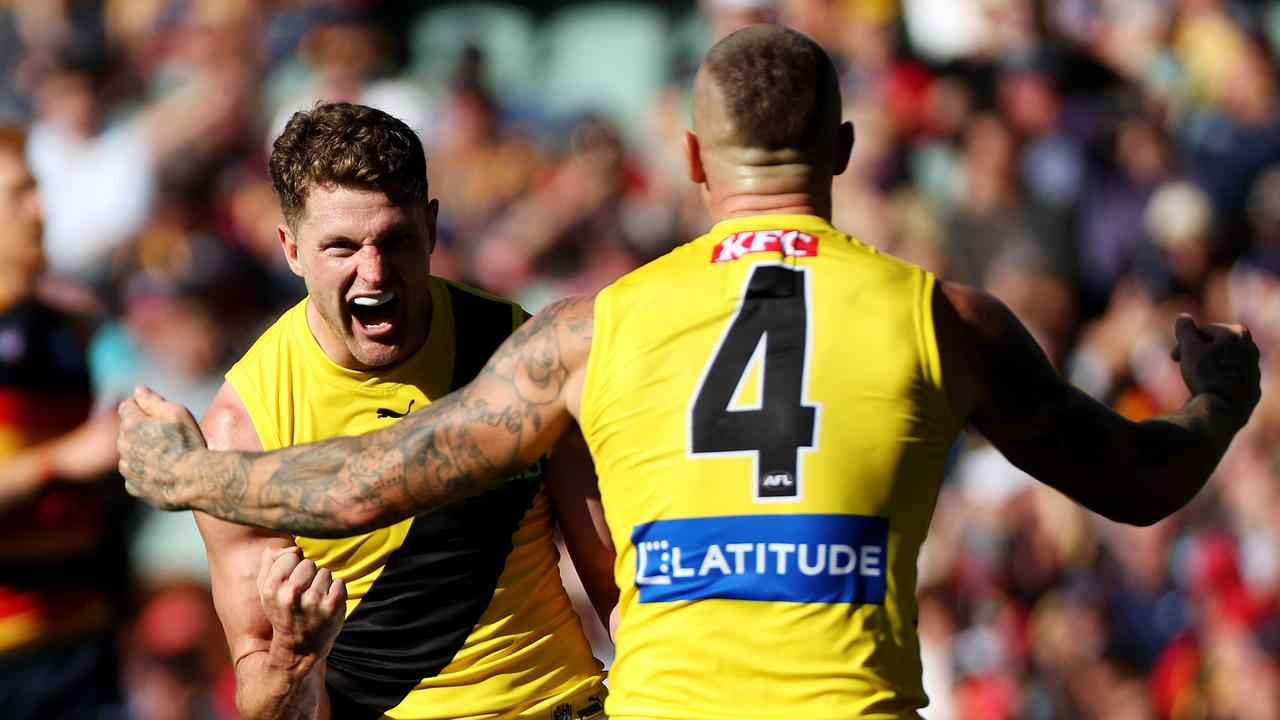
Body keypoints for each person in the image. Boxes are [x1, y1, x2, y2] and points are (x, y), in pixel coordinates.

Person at [117, 26, 1261, 718]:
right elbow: (1142, 480)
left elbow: (366, 481)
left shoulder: (587, 333)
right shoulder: (945, 320)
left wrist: (184, 474)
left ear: (692, 158)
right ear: (846, 155)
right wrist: (1219, 395)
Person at [179, 102, 610, 719]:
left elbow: (616, 585)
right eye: (341, 248)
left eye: (395, 239)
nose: (373, 273)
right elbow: (265, 706)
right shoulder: (243, 429)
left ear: (431, 228)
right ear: (291, 249)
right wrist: (294, 655)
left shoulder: (518, 351)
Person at [0, 125, 128, 719]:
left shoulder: (67, 331)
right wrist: (64, 457)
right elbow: (72, 454)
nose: (42, 211)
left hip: (82, 646)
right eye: (21, 194)